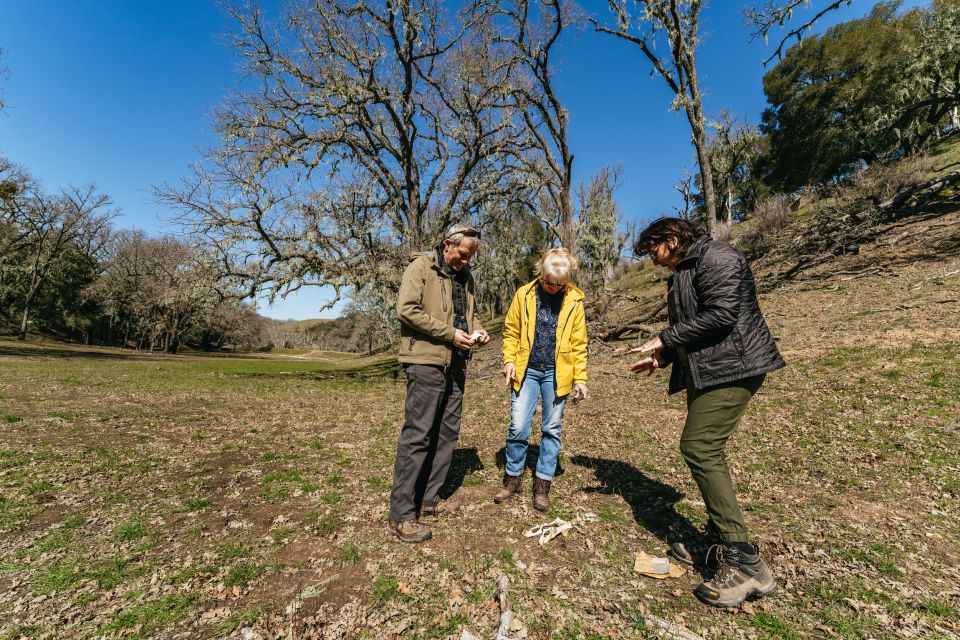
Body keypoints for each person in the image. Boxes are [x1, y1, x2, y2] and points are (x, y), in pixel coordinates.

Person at [628, 217, 785, 608]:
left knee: (700, 447)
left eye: (654, 252)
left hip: (736, 368)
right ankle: (718, 540)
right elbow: (694, 323)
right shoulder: (689, 267)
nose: (654, 261)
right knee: (704, 448)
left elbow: (721, 315)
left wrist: (664, 337)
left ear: (671, 239)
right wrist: (666, 356)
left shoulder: (718, 257)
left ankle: (745, 562)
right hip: (710, 370)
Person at [388, 223, 490, 543]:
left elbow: (467, 316)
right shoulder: (421, 267)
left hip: (458, 362)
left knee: (447, 432)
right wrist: (449, 334)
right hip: (426, 362)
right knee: (418, 435)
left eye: (471, 257)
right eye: (462, 254)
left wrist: (479, 330)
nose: (466, 261)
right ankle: (402, 515)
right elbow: (407, 310)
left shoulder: (466, 277)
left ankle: (429, 498)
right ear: (448, 244)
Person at [496, 248, 589, 512]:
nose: (553, 288)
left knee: (552, 429)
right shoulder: (523, 295)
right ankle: (513, 478)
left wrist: (580, 378)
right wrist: (509, 360)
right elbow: (511, 331)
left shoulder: (574, 300)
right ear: (542, 274)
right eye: (549, 282)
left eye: (559, 284)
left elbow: (579, 343)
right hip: (527, 370)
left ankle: (542, 484)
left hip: (557, 373)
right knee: (518, 426)